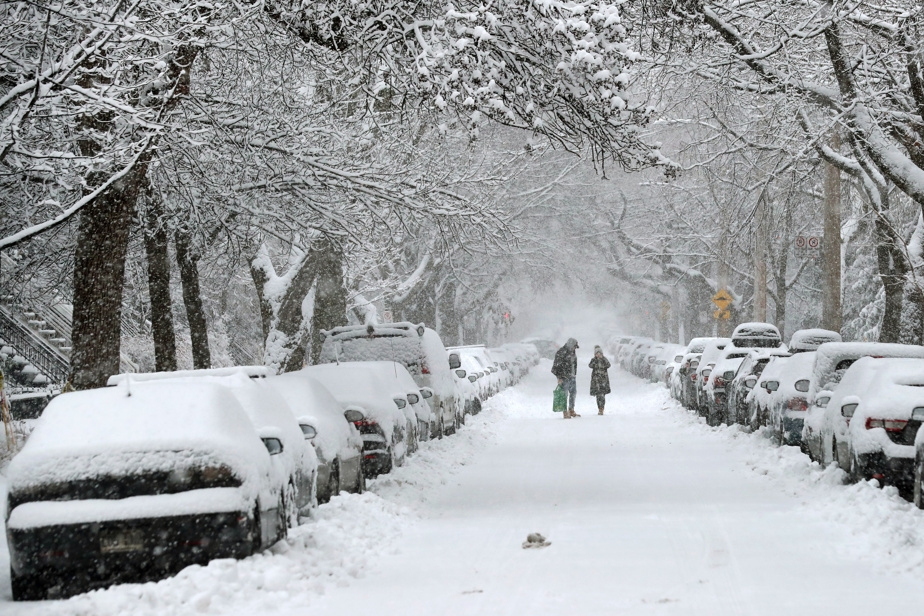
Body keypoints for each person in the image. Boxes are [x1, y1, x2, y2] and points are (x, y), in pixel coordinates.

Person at [551, 338, 579, 418]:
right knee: (564, 394)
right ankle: (565, 411)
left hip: (572, 376)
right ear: (571, 345)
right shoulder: (561, 352)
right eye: (574, 346)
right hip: (564, 377)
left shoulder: (572, 352)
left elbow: (574, 363)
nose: (575, 348)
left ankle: (571, 409)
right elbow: (556, 366)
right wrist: (559, 377)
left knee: (573, 393)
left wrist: (574, 373)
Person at [589, 345, 611, 415]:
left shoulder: (604, 359)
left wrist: (603, 359)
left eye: (599, 353)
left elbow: (608, 365)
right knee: (598, 395)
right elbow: (590, 365)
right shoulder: (593, 360)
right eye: (597, 353)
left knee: (602, 395)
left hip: (603, 380)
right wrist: (595, 360)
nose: (598, 355)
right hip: (596, 381)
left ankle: (602, 408)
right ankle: (599, 408)